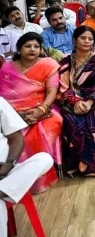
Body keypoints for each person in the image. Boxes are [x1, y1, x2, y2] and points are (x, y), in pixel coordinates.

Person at [0, 33, 61, 192]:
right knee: (12, 134)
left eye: (36, 46)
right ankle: (14, 181)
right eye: (28, 46)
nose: (32, 49)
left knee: (46, 129)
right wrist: (16, 116)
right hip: (13, 112)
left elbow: (52, 91)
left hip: (44, 108)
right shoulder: (7, 67)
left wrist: (40, 110)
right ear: (19, 49)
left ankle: (38, 179)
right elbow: (4, 96)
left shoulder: (48, 64)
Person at [58, 26, 95, 176]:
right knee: (74, 122)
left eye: (90, 39)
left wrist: (89, 102)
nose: (87, 41)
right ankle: (80, 165)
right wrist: (76, 102)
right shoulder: (66, 62)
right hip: (72, 103)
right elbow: (63, 88)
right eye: (83, 38)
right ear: (74, 40)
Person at [0, 97, 54, 235]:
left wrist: (8, 165)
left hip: (8, 171)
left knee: (45, 159)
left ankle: (2, 190)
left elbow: (17, 138)